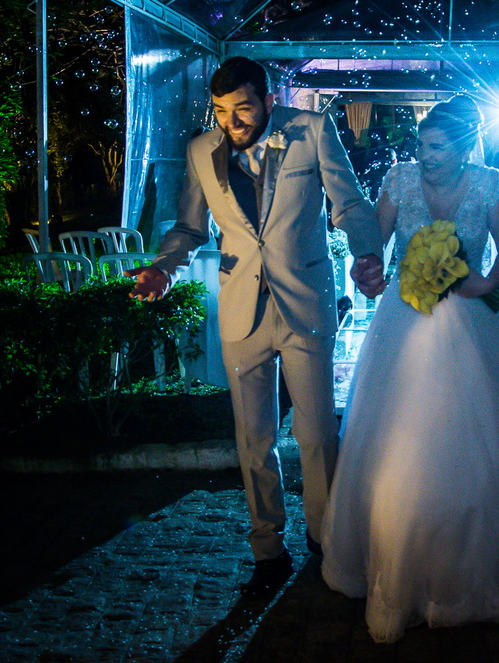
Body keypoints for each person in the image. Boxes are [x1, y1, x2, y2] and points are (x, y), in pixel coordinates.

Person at [320, 95, 499, 643]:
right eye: (422, 145)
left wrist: (484, 284)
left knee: (478, 433)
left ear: (465, 147)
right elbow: (374, 241)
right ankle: (399, 554)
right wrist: (367, 266)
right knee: (402, 432)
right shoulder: (399, 179)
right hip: (404, 315)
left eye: (437, 148)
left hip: (470, 320)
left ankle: (481, 562)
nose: (425, 155)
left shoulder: (491, 182)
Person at [127, 57, 383, 596]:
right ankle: (267, 545)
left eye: (242, 109)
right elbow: (190, 225)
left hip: (306, 301)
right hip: (241, 307)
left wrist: (366, 252)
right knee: (254, 438)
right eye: (221, 112)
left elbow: (349, 200)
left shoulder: (310, 130)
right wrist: (163, 267)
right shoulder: (202, 150)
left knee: (316, 432)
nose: (232, 122)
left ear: (268, 100)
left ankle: (325, 537)